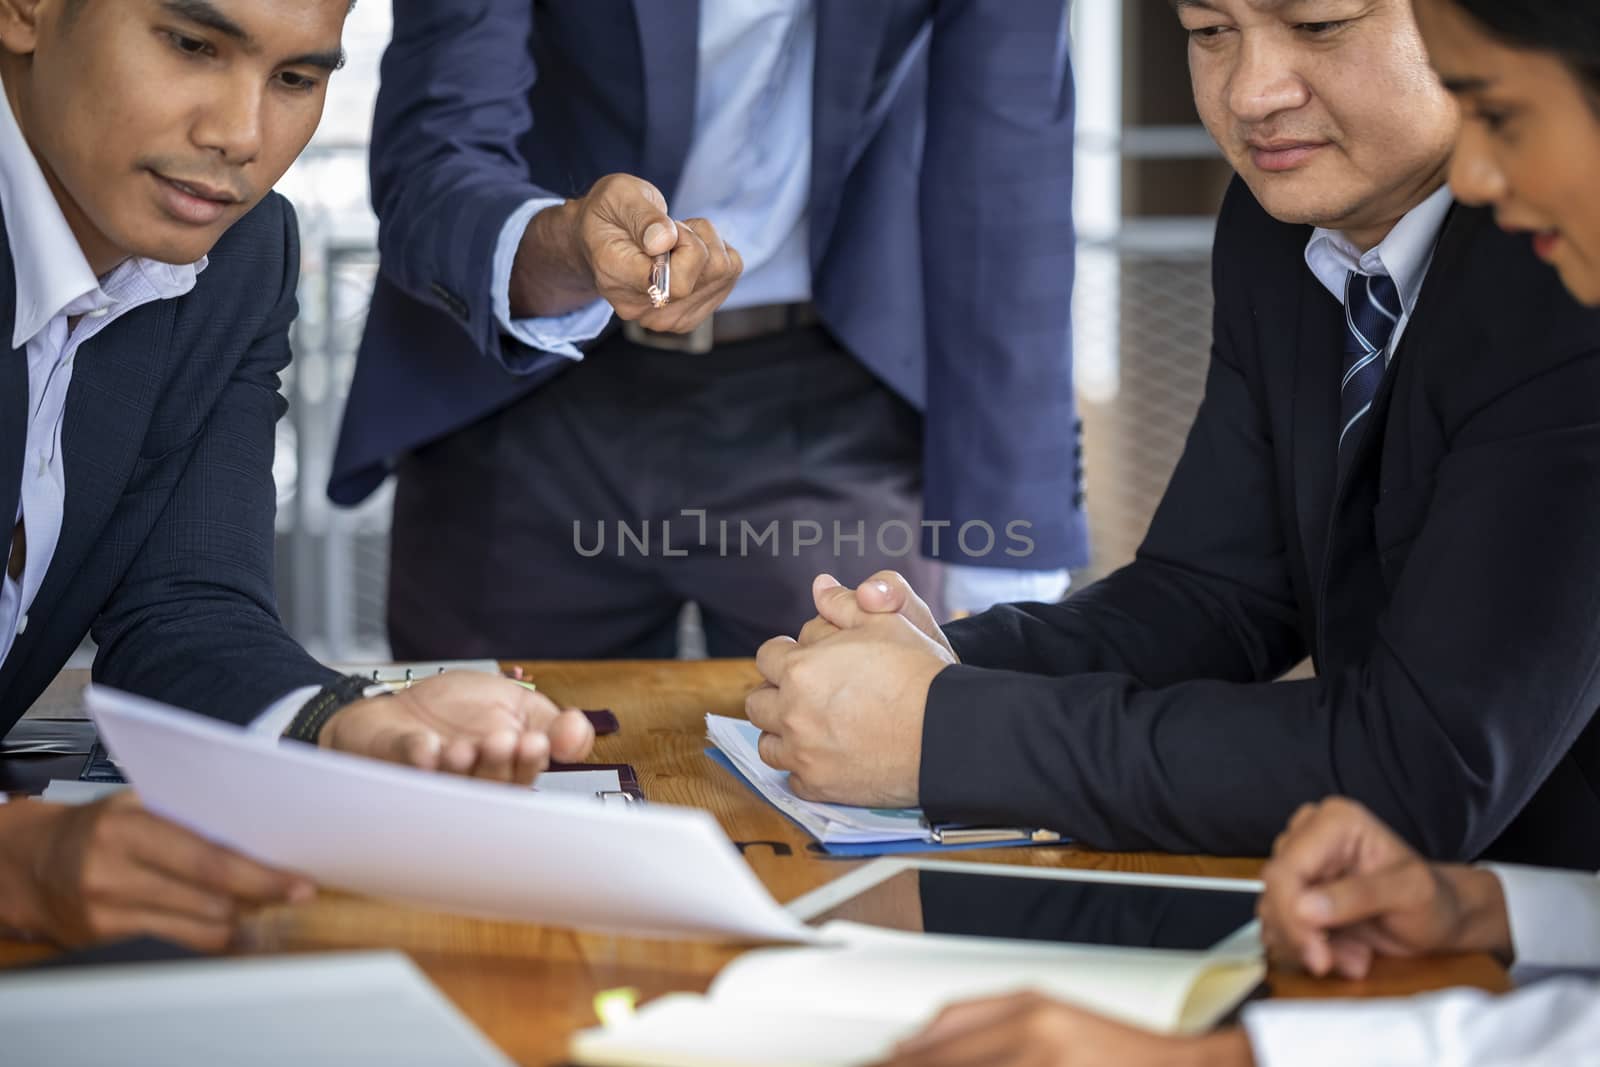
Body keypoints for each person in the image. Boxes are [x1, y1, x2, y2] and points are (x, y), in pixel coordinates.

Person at [885, 0, 1600, 1061]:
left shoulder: (1559, 280)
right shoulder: (1279, 233)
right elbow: (1214, 591)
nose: (1250, 91)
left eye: (1316, 25)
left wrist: (942, 731)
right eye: (1207, 31)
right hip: (1463, 935)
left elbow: (1416, 765)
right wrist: (932, 657)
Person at [0, 0, 593, 951]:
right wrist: (18, 861)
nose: (238, 136)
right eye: (192, 46)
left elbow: (185, 608)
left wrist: (345, 724)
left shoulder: (240, 253)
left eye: (295, 79)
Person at [326, 0, 1088, 661]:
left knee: (870, 789)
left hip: (831, 394)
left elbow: (1007, 180)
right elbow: (435, 149)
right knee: (489, 796)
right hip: (528, 389)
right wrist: (570, 245)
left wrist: (1005, 572)